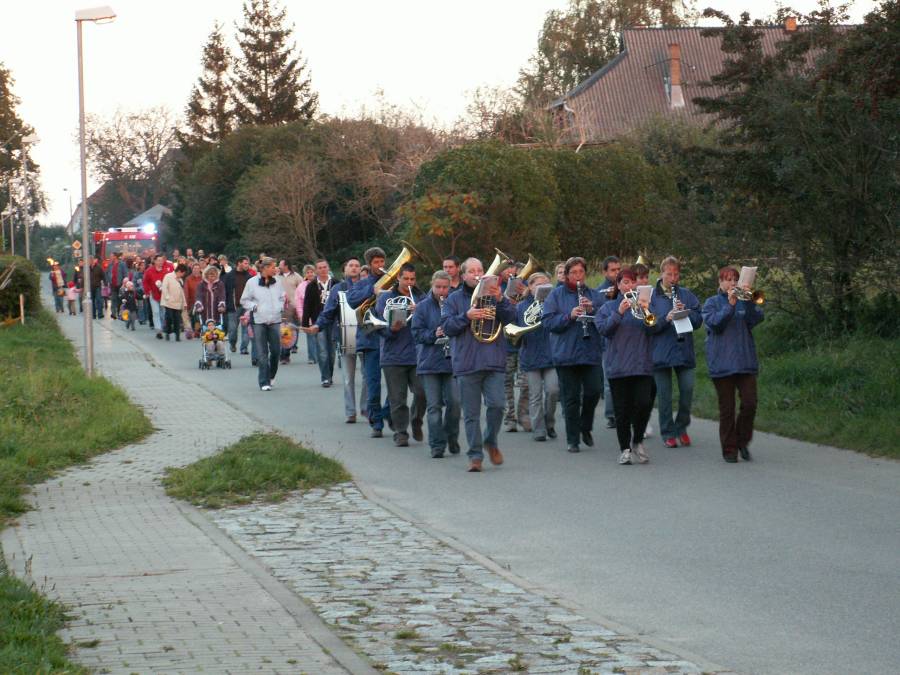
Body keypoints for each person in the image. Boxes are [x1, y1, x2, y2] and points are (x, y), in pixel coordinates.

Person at [441, 257, 516, 472]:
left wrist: (501, 298)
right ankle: (475, 455)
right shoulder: (454, 299)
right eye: (471, 271)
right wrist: (467, 316)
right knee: (472, 414)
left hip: (493, 360)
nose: (476, 274)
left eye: (479, 270)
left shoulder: (494, 295)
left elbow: (511, 318)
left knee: (498, 405)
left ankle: (490, 440)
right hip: (467, 362)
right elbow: (446, 327)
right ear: (462, 275)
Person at [541, 257, 604, 454]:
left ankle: (585, 426)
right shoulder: (556, 296)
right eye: (574, 273)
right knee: (571, 398)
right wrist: (569, 316)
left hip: (590, 351)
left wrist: (593, 310)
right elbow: (548, 322)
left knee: (594, 391)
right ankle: (573, 439)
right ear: (567, 275)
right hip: (566, 354)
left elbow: (605, 319)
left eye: (581, 272)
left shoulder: (594, 295)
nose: (578, 276)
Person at [702, 266, 764, 463]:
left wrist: (750, 302)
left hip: (744, 360)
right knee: (727, 409)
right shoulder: (711, 303)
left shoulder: (744, 302)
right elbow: (715, 324)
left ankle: (742, 441)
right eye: (727, 279)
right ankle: (729, 449)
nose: (732, 283)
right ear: (720, 283)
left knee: (750, 403)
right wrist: (730, 305)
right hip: (722, 363)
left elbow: (757, 318)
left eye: (735, 280)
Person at [596, 267, 655, 465]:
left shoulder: (645, 306)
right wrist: (619, 312)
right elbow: (603, 330)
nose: (629, 286)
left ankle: (637, 440)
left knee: (644, 404)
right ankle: (625, 449)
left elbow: (655, 327)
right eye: (625, 282)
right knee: (622, 411)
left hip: (641, 365)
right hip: (618, 366)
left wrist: (646, 309)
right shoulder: (607, 308)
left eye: (633, 282)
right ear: (619, 286)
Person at [649, 256, 703, 448]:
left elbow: (699, 320)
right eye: (669, 274)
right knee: (664, 395)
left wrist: (686, 311)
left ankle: (681, 427)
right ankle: (667, 432)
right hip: (660, 352)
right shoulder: (651, 296)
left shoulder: (686, 295)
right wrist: (666, 318)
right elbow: (648, 325)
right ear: (661, 273)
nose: (673, 278)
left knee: (687, 390)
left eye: (676, 274)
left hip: (683, 350)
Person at [305, 257, 367, 423]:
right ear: (344, 269)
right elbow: (328, 311)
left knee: (368, 376)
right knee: (348, 378)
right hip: (346, 335)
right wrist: (318, 325)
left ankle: (366, 408)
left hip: (366, 336)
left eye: (357, 266)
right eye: (350, 265)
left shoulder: (367, 286)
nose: (354, 268)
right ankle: (350, 412)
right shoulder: (338, 288)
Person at [374, 263, 426, 447]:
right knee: (398, 398)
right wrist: (392, 329)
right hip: (393, 355)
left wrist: (419, 312)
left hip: (417, 354)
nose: (409, 283)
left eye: (413, 279)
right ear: (398, 278)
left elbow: (430, 321)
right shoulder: (386, 298)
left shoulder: (421, 297)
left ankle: (416, 420)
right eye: (406, 279)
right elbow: (378, 325)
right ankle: (401, 432)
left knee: (422, 393)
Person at [412, 270, 460, 458]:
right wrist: (434, 334)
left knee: (455, 404)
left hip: (452, 362)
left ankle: (451, 436)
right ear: (432, 286)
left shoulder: (454, 304)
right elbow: (416, 333)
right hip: (429, 362)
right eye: (438, 287)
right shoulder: (423, 307)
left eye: (445, 287)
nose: (442, 291)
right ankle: (436, 445)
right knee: (434, 406)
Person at [347, 247, 392, 437]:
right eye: (376, 262)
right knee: (373, 385)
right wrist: (371, 291)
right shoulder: (362, 284)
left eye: (382, 262)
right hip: (370, 339)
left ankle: (387, 412)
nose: (380, 266)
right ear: (370, 264)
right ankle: (376, 422)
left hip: (391, 340)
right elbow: (351, 300)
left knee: (395, 385)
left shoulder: (394, 281)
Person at [515, 272, 559, 442]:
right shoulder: (521, 307)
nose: (542, 288)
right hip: (530, 354)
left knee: (553, 391)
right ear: (530, 287)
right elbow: (517, 328)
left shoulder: (553, 304)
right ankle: (538, 429)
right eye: (538, 285)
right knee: (535, 395)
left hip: (551, 353)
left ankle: (549, 422)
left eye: (546, 285)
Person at [240, 257, 286, 391]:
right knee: (262, 353)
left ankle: (271, 375)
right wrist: (255, 307)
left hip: (275, 320)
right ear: (265, 268)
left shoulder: (277, 281)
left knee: (276, 351)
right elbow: (244, 300)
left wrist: (281, 306)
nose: (275, 269)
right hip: (259, 321)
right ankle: (264, 382)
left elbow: (282, 296)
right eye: (273, 267)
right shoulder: (252, 282)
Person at [302, 259, 337, 386]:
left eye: (325, 267)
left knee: (332, 352)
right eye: (320, 268)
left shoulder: (336, 283)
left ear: (328, 268)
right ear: (316, 270)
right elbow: (307, 305)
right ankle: (325, 377)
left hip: (333, 321)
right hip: (318, 321)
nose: (323, 269)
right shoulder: (311, 286)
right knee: (322, 351)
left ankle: (330, 374)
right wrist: (305, 324)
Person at [597, 255, 622, 430]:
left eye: (618, 269)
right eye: (613, 270)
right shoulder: (599, 292)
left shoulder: (626, 287)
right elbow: (600, 319)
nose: (616, 273)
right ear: (605, 272)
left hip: (627, 340)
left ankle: (624, 410)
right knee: (609, 380)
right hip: (607, 341)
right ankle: (611, 414)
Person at [226, 256, 255, 357]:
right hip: (233, 306)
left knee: (246, 328)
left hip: (246, 307)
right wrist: (225, 304)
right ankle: (232, 343)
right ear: (239, 263)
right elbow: (225, 292)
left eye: (248, 263)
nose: (248, 265)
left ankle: (244, 348)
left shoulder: (250, 277)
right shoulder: (229, 276)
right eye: (246, 263)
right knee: (233, 329)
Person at [143, 254, 174, 338]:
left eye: (162, 260)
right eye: (159, 260)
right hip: (153, 295)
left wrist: (167, 290)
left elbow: (170, 282)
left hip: (163, 295)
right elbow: (145, 282)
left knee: (163, 313)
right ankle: (158, 330)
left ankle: (164, 326)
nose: (161, 262)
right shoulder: (149, 271)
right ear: (155, 261)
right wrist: (148, 291)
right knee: (156, 312)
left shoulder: (166, 271)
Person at [295, 264, 318, 365]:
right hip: (307, 314)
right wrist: (301, 315)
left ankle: (320, 356)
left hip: (319, 314)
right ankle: (312, 357)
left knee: (320, 337)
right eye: (308, 272)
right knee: (311, 337)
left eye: (311, 272)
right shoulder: (301, 286)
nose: (310, 274)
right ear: (305, 274)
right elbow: (298, 302)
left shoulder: (320, 284)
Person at [279, 260, 303, 355]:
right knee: (284, 329)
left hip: (294, 306)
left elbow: (302, 289)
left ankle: (293, 345)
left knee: (294, 327)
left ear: (286, 266)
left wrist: (300, 305)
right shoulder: (277, 277)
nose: (278, 267)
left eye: (280, 265)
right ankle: (285, 350)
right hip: (281, 306)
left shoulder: (296, 277)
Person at [160, 263, 189, 341]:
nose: (183, 275)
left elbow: (182, 292)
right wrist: (167, 297)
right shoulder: (168, 276)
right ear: (179, 271)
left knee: (177, 320)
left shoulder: (180, 280)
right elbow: (164, 288)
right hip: (169, 303)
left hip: (178, 304)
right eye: (183, 273)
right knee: (169, 318)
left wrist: (185, 303)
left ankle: (177, 335)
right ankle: (167, 332)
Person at [105, 252, 127, 320]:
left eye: (111, 256)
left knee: (120, 300)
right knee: (113, 299)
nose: (110, 257)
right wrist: (108, 281)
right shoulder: (110, 265)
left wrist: (124, 283)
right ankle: (113, 314)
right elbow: (106, 273)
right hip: (113, 285)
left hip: (120, 284)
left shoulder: (122, 264)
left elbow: (125, 274)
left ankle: (120, 313)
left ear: (115, 257)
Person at [184, 263, 203, 338]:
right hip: (191, 301)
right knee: (193, 317)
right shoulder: (188, 279)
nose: (196, 270)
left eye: (197, 268)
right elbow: (186, 291)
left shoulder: (203, 278)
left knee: (198, 316)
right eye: (194, 268)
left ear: (200, 270)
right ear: (192, 270)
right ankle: (195, 330)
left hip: (201, 301)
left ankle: (197, 331)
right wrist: (186, 301)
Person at [89, 256, 105, 320]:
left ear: (93, 260)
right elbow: (84, 278)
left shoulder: (99, 267)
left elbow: (103, 276)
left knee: (99, 300)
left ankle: (100, 314)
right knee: (91, 301)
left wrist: (105, 283)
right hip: (90, 287)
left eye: (91, 260)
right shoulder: (87, 268)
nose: (90, 261)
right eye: (89, 260)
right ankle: (93, 315)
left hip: (97, 286)